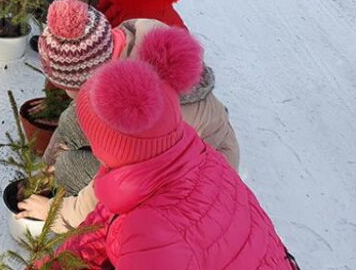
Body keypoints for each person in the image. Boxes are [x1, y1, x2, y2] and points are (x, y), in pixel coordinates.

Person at [50, 27, 295, 269]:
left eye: (93, 139)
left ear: (110, 147)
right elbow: (103, 222)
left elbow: (144, 239)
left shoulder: (149, 232)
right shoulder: (193, 155)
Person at [17, 0, 239, 232]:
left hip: (191, 186)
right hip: (160, 147)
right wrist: (44, 172)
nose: (65, 93)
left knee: (68, 167)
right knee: (73, 121)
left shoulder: (145, 116)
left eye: (68, 88)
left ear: (91, 78)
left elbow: (112, 189)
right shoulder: (129, 38)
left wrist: (53, 211)